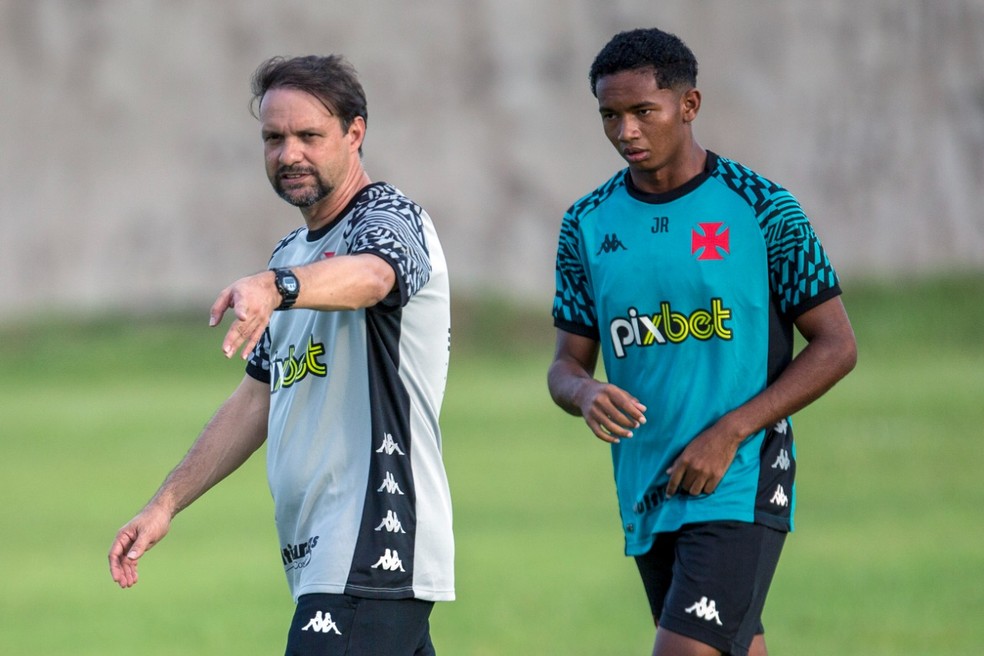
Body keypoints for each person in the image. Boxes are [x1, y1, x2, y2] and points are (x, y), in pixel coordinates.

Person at [108, 55, 454, 656]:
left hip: (374, 537)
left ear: (355, 133)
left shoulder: (392, 218)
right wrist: (164, 504)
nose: (289, 152)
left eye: (308, 136)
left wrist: (280, 287)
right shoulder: (292, 249)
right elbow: (256, 398)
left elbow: (375, 276)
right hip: (322, 553)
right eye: (274, 137)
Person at [547, 28, 857, 656]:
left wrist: (732, 431)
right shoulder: (586, 224)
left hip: (740, 475)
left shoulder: (763, 208)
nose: (625, 131)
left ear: (688, 106)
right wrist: (583, 393)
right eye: (610, 115)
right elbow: (565, 364)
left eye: (642, 112)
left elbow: (835, 346)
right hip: (649, 482)